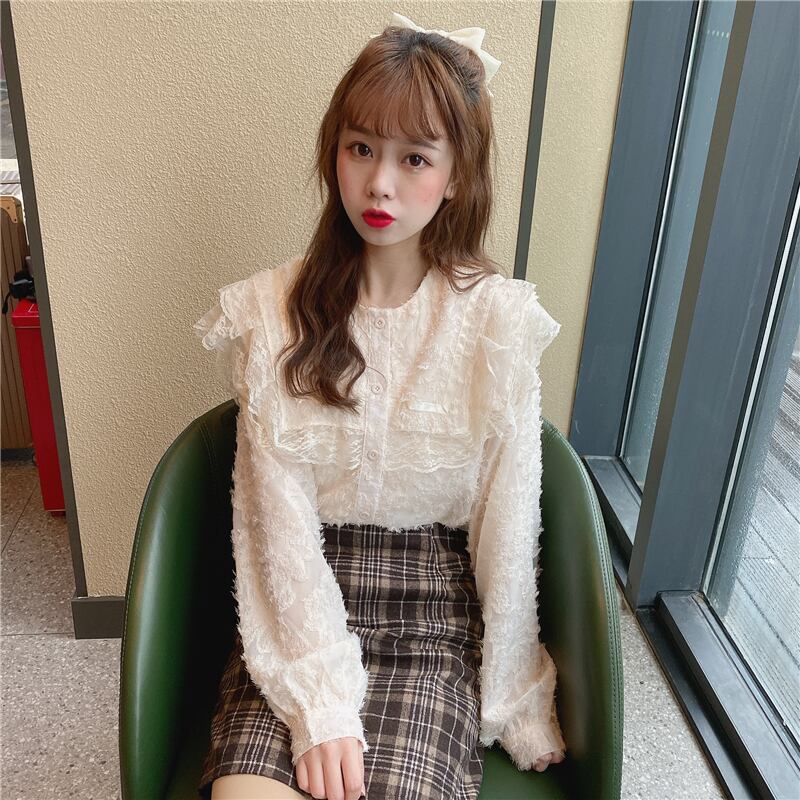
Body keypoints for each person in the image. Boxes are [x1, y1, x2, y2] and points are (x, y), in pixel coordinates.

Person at [193, 11, 567, 800]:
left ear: (457, 175)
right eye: (360, 148)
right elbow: (273, 523)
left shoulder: (496, 324)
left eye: (414, 158)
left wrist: (516, 696)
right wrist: (318, 701)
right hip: (299, 608)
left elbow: (508, 525)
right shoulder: (273, 313)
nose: (379, 184)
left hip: (431, 615)